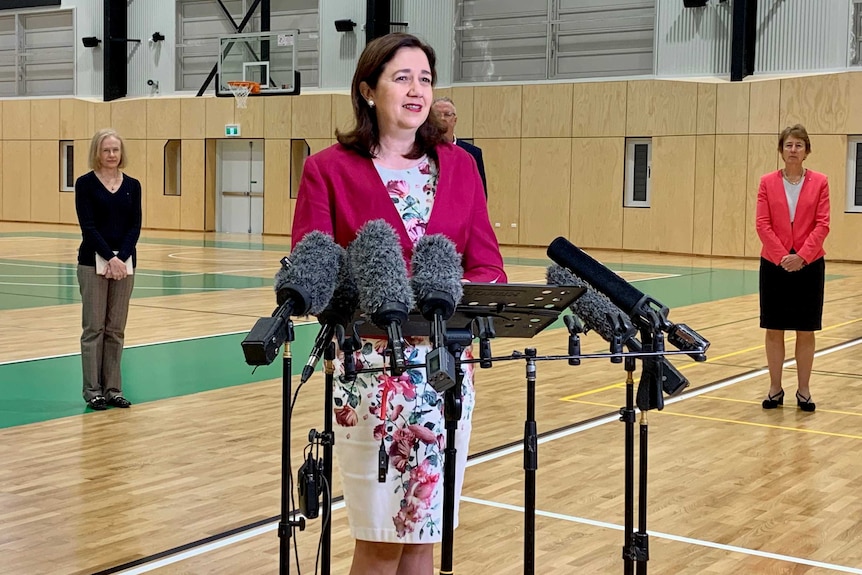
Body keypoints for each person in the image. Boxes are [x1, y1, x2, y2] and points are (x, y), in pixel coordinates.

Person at [291, 33, 506, 575]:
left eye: (425, 79)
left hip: (443, 374)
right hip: (370, 377)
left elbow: (486, 265)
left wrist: (456, 305)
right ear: (368, 89)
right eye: (402, 77)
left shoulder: (460, 167)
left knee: (423, 536)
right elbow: (313, 266)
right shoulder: (328, 169)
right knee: (382, 538)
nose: (417, 90)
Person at [756, 124, 830, 412]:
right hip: (774, 264)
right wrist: (782, 256)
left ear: (807, 151)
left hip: (809, 265)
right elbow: (762, 224)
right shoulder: (767, 182)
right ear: (781, 149)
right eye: (788, 145)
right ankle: (775, 388)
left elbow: (823, 224)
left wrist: (801, 256)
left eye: (799, 145)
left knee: (805, 329)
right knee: (774, 328)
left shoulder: (821, 182)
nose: (793, 150)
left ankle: (804, 390)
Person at [75, 128, 142, 411]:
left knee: (115, 329)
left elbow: (134, 226)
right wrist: (109, 258)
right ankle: (93, 391)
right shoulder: (85, 184)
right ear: (97, 153)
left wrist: (122, 257)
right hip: (93, 263)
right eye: (106, 150)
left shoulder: (133, 185)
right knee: (94, 328)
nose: (111, 155)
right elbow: (88, 227)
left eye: (115, 150)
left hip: (125, 264)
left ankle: (113, 389)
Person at [431, 97, 487, 197]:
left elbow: (481, 194)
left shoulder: (472, 153)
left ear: (455, 120)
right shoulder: (421, 151)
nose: (442, 118)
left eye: (447, 114)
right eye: (437, 115)